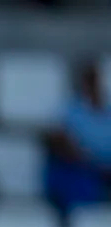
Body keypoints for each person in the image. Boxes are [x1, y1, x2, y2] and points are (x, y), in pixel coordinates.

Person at [44, 60, 111, 214]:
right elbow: (58, 141)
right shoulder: (68, 111)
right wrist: (93, 164)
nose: (94, 85)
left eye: (96, 79)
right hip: (83, 172)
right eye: (90, 80)